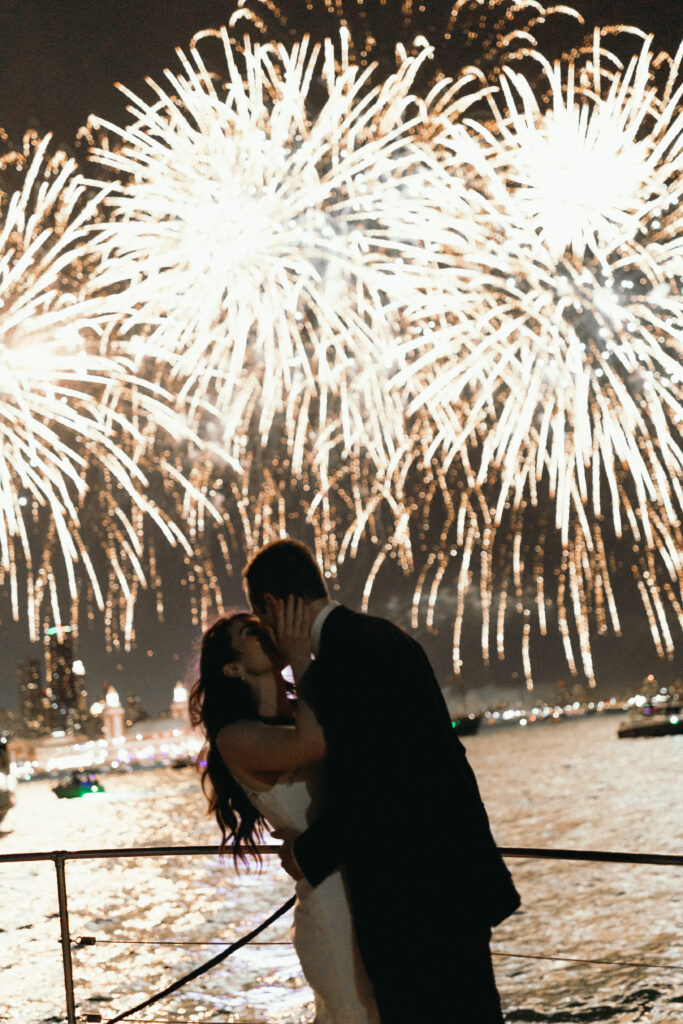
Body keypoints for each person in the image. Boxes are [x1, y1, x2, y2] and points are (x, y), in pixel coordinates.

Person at [243, 537, 521, 1023]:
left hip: (415, 899)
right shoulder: (377, 637)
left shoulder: (343, 658)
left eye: (265, 622)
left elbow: (382, 788)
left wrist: (308, 852)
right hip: (449, 882)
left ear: (272, 605)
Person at [189, 610, 380, 1024]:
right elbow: (315, 743)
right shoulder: (235, 737)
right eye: (251, 633)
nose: (267, 631)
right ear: (233, 667)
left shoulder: (301, 709)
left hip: (368, 884)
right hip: (331, 904)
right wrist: (299, 656)